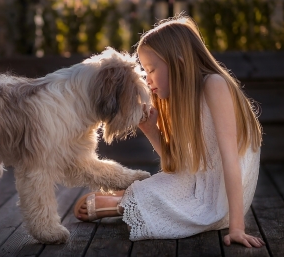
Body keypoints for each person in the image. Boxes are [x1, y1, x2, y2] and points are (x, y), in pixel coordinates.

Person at [73, 14, 265, 248]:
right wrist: (151, 130)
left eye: (151, 69)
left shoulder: (215, 85)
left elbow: (230, 160)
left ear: (179, 63)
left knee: (195, 211)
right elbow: (177, 166)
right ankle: (131, 199)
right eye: (145, 70)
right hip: (199, 184)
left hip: (224, 196)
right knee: (173, 186)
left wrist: (237, 227)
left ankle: (123, 203)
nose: (147, 79)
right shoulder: (180, 100)